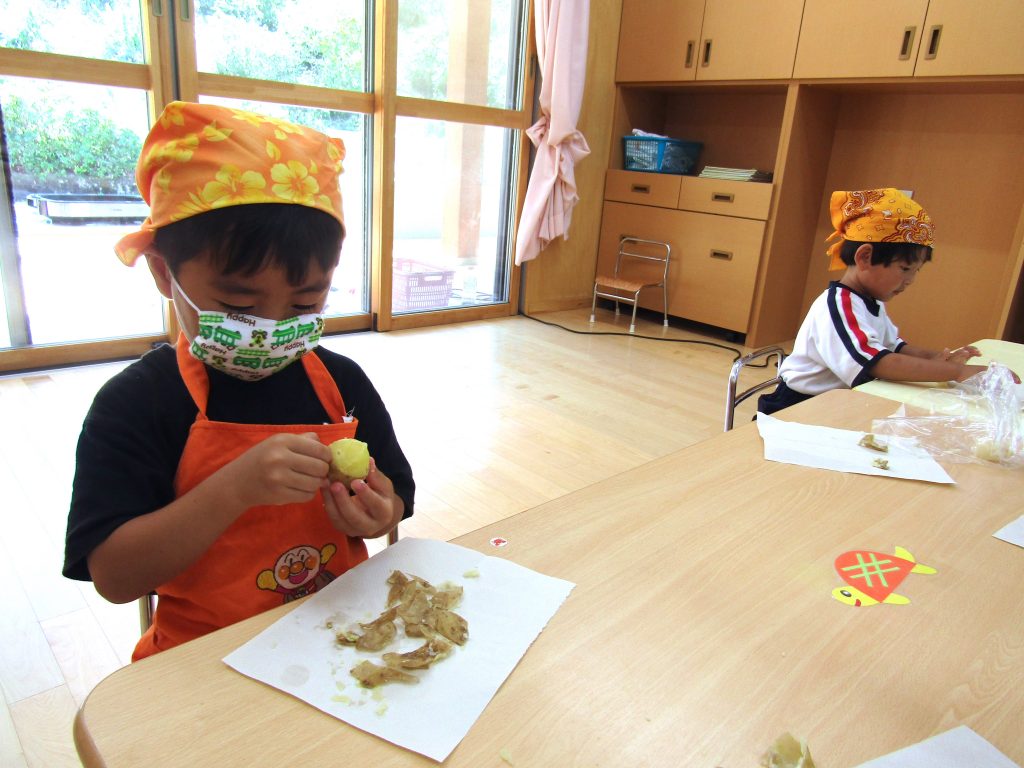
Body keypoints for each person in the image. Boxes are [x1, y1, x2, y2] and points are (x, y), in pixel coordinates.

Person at [62, 101, 414, 660]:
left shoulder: (342, 382)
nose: (270, 327)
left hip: (337, 640)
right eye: (238, 304)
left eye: (306, 302)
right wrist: (233, 490)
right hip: (201, 654)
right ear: (164, 273)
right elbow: (115, 577)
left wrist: (379, 511)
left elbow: (394, 498)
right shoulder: (137, 403)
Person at [758, 188, 990, 416]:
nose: (910, 280)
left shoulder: (871, 302)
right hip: (797, 408)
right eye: (905, 268)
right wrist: (956, 372)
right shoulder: (839, 305)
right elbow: (879, 363)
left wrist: (936, 359)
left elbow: (894, 346)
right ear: (865, 257)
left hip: (837, 401)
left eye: (916, 271)